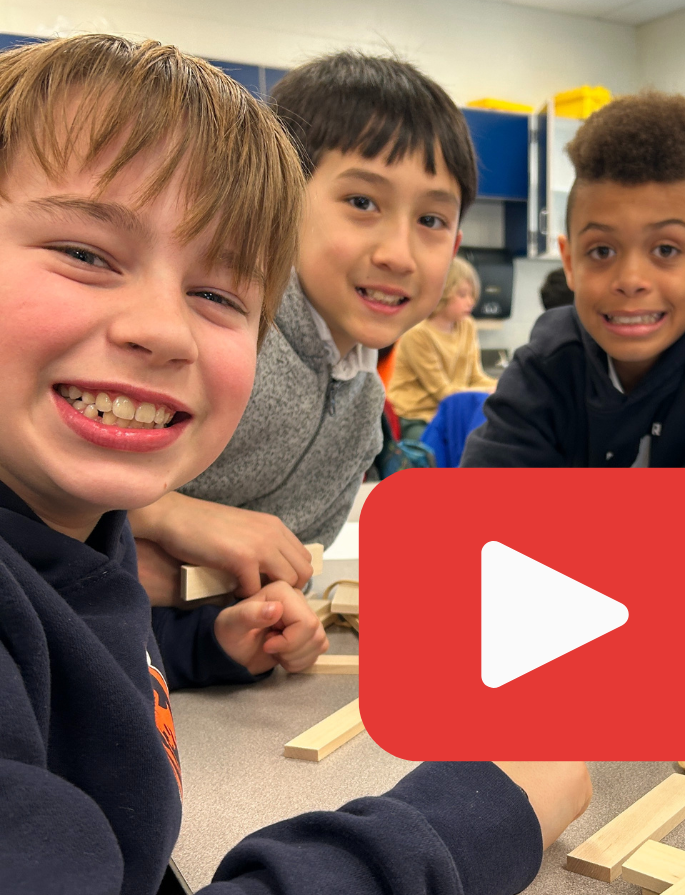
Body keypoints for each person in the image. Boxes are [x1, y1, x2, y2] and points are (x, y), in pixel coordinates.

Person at [0, 35, 591, 895]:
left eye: (222, 294)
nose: (161, 329)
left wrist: (199, 643)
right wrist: (469, 821)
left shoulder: (67, 532)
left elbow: (65, 649)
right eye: (87, 254)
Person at [129, 51, 478, 605]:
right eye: (362, 202)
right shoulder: (209, 333)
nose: (398, 254)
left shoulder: (364, 408)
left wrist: (262, 622)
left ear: (456, 246)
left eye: (431, 220)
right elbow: (42, 484)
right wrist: (167, 512)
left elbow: (279, 577)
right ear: (280, 201)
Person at [460, 91, 685, 469]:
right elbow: (481, 509)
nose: (631, 280)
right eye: (602, 251)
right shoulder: (552, 357)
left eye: (666, 250)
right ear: (569, 261)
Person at [386, 255, 496, 441]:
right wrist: (485, 393)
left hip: (452, 410)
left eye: (472, 294)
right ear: (442, 292)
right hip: (416, 417)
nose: (471, 301)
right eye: (462, 295)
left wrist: (500, 386)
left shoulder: (467, 326)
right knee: (433, 456)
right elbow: (442, 391)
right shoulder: (417, 333)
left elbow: (475, 377)